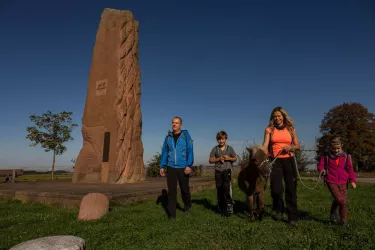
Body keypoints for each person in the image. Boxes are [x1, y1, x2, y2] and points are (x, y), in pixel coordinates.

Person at [262, 106, 300, 226]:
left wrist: (291, 147)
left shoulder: (290, 128)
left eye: (279, 116)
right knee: (276, 189)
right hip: (275, 161)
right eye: (275, 116)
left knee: (291, 189)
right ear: (272, 118)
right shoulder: (269, 129)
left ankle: (292, 216)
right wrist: (259, 152)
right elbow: (265, 145)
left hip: (289, 159)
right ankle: (278, 209)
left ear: (283, 116)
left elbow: (297, 145)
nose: (277, 118)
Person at [159, 116, 194, 219]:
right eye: (173, 122)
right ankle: (172, 214)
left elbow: (190, 150)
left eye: (177, 123)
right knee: (172, 191)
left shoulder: (185, 136)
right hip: (170, 167)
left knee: (185, 190)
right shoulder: (168, 137)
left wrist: (189, 165)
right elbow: (165, 152)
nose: (174, 124)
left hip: (183, 167)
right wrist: (162, 166)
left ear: (181, 125)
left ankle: (188, 207)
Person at [317, 136, 356, 225]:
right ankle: (334, 213)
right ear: (330, 147)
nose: (336, 150)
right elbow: (320, 165)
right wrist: (322, 170)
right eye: (334, 148)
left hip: (343, 181)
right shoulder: (326, 155)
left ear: (341, 146)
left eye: (338, 148)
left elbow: (350, 169)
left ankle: (343, 221)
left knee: (343, 201)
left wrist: (352, 180)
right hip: (331, 180)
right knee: (340, 200)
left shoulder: (345, 156)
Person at [209, 131, 237, 216]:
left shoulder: (230, 148)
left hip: (227, 171)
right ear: (217, 140)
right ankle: (221, 207)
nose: (221, 141)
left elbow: (235, 159)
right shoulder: (215, 149)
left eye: (223, 139)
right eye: (219, 139)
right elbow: (210, 160)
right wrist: (218, 159)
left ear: (226, 139)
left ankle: (229, 205)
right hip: (218, 171)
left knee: (226, 188)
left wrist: (228, 158)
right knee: (219, 188)